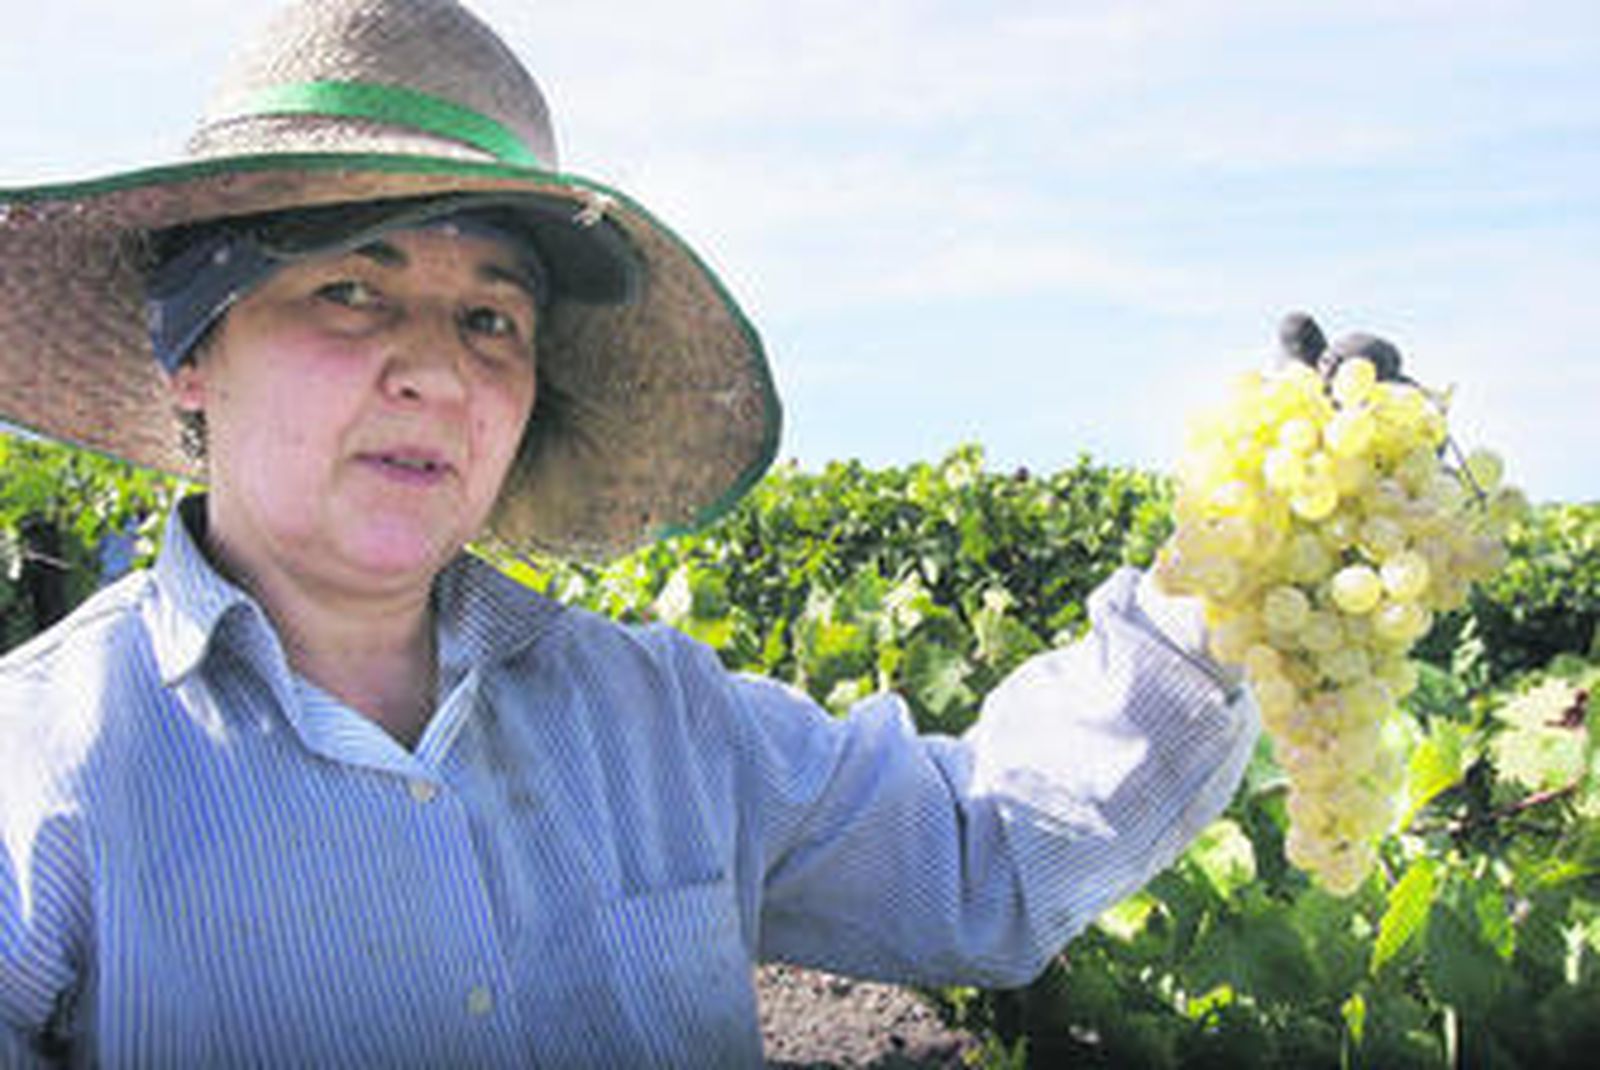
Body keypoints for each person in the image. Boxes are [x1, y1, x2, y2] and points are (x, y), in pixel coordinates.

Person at [0, 1, 1258, 1064]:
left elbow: (979, 853)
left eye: (491, 319)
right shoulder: (40, 773)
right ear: (191, 353)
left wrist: (1228, 583)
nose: (435, 374)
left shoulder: (661, 717)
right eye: (350, 289)